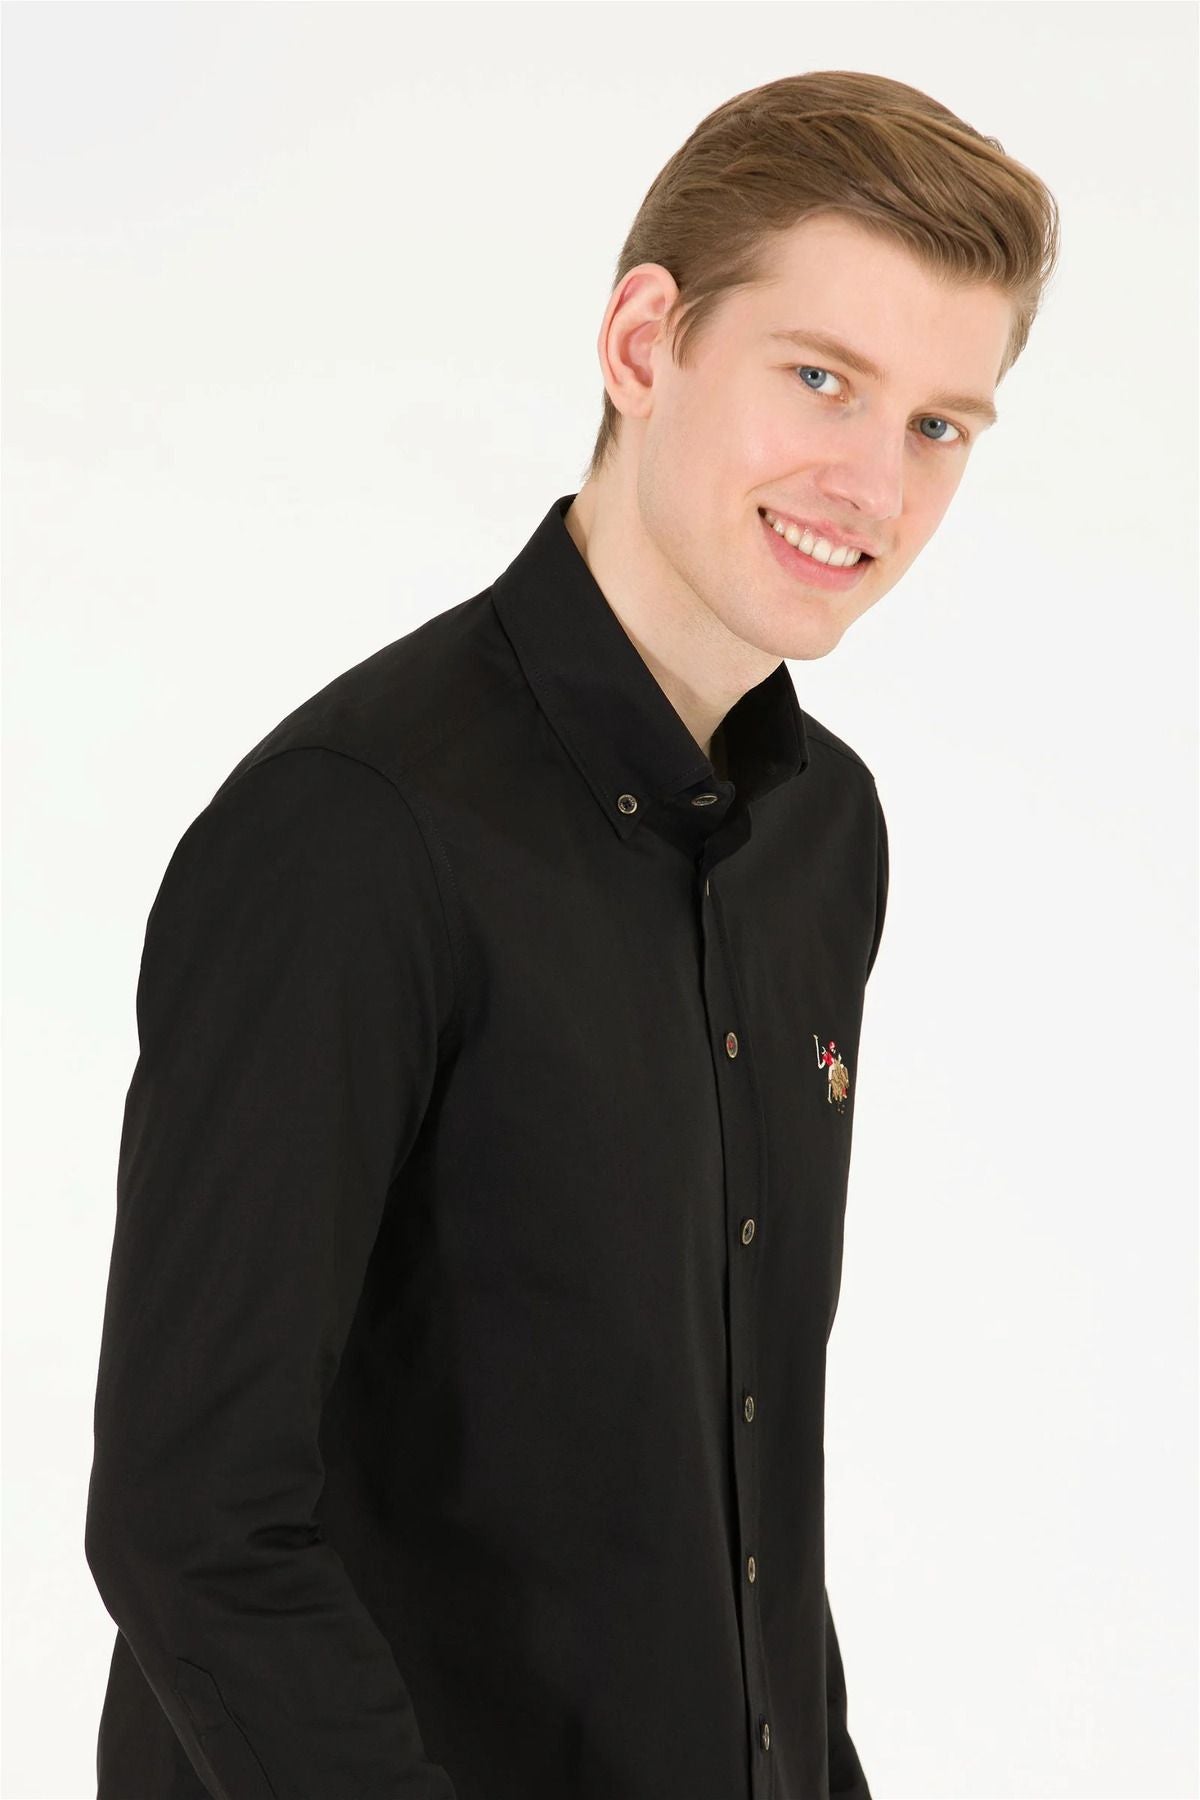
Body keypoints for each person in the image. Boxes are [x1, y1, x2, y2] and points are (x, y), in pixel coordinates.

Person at [84, 68, 1059, 1800]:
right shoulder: (351, 831)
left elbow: (744, 1494)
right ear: (642, 345)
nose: (873, 483)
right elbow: (192, 1522)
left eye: (938, 426)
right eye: (820, 378)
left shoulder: (824, 838)